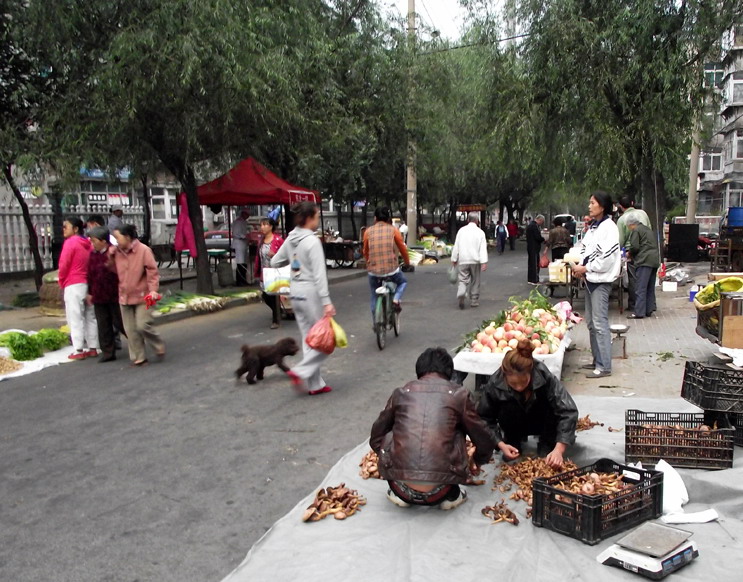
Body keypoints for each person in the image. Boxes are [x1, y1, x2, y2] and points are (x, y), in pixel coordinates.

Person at [370, 347, 496, 509]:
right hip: (443, 490)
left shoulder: (401, 393)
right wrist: (478, 460)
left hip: (399, 487)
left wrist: (393, 458)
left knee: (391, 432)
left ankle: (401, 493)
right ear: (449, 372)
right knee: (457, 430)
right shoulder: (459, 394)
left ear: (419, 371)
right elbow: (483, 437)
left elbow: (376, 437)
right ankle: (452, 498)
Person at [477, 340, 578, 469]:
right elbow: (484, 418)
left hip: (542, 421)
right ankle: (513, 441)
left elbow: (568, 410)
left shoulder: (543, 375)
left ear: (530, 373)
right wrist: (500, 444)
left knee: (551, 408)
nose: (519, 387)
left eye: (523, 382)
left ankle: (547, 442)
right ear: (505, 375)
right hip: (513, 423)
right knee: (507, 406)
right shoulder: (495, 383)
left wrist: (559, 449)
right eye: (513, 384)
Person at [271, 201, 336, 395]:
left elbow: (275, 261)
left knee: (310, 339)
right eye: (316, 216)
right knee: (325, 340)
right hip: (311, 292)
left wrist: (294, 263)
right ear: (308, 218)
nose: (317, 220)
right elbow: (319, 275)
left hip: (295, 291)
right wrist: (327, 302)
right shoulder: (312, 242)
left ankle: (315, 385)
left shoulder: (291, 239)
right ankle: (300, 371)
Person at [571, 192, 621, 379]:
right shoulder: (593, 227)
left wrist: (586, 268)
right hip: (590, 279)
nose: (589, 206)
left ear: (602, 206)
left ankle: (604, 365)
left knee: (600, 323)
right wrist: (580, 267)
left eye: (593, 203)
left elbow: (606, 259)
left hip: (601, 280)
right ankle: (596, 360)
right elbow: (585, 249)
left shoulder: (609, 228)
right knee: (591, 323)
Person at [110, 224, 165, 366]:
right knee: (130, 329)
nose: (116, 241)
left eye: (118, 237)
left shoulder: (144, 250)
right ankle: (139, 356)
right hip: (124, 295)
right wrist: (109, 256)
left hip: (144, 295)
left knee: (142, 325)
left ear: (127, 237)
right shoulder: (116, 252)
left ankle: (157, 343)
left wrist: (153, 290)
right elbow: (111, 269)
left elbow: (152, 272)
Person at [59, 217, 99, 360]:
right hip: (86, 283)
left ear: (75, 229)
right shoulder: (87, 244)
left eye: (66, 227)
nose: (63, 229)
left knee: (75, 317)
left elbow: (64, 264)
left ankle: (78, 349)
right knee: (90, 316)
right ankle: (93, 347)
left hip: (73, 283)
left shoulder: (70, 243)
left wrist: (62, 281)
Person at [363, 206, 410, 320]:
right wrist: (407, 262)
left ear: (375, 218)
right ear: (388, 218)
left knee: (374, 294)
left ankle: (376, 322)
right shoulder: (393, 230)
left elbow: (365, 250)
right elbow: (402, 248)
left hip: (373, 271)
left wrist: (369, 262)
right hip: (391, 270)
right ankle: (395, 299)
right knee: (402, 282)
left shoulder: (368, 232)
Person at [86, 226, 124, 362]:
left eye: (94, 241)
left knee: (120, 322)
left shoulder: (114, 253)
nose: (92, 244)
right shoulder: (93, 255)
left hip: (114, 294)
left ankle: (136, 342)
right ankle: (108, 352)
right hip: (98, 295)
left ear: (104, 241)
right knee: (103, 324)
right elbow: (89, 274)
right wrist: (90, 292)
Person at [616, 196, 651, 311]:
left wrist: (620, 254)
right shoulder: (643, 214)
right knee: (646, 280)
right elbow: (649, 230)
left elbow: (620, 240)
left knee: (634, 279)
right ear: (632, 203)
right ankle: (648, 305)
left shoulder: (622, 220)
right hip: (647, 249)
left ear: (621, 207)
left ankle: (634, 305)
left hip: (633, 252)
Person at [625, 214, 660, 319]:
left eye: (628, 226)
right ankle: (649, 309)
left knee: (640, 287)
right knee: (650, 287)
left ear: (631, 224)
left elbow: (635, 246)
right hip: (654, 260)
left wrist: (629, 254)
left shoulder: (636, 230)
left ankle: (639, 312)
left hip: (644, 260)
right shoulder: (647, 229)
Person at [451, 212, 488, 309]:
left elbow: (456, 246)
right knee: (475, 280)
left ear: (468, 220)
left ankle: (462, 293)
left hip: (463, 259)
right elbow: (482, 249)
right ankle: (474, 301)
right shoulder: (480, 232)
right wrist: (484, 262)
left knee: (463, 279)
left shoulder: (461, 231)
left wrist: (454, 259)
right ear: (477, 221)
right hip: (475, 260)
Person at [254, 217, 285, 329]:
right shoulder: (261, 241)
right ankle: (279, 310)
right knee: (265, 295)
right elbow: (259, 257)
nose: (262, 227)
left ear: (271, 226)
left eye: (265, 224)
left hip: (275, 272)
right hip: (264, 272)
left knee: (273, 296)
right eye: (261, 225)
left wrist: (275, 256)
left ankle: (275, 320)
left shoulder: (277, 240)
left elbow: (285, 254)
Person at [232, 209, 251, 286]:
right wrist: (245, 236)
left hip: (243, 244)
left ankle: (243, 279)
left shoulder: (243, 222)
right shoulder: (238, 222)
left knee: (244, 262)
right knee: (240, 263)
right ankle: (239, 280)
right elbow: (236, 233)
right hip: (239, 243)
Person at [526, 214, 545, 283]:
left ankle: (531, 278)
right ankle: (533, 279)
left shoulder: (531, 225)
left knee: (532, 263)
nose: (541, 223)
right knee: (534, 264)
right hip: (533, 247)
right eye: (542, 222)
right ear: (539, 220)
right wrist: (543, 239)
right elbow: (537, 237)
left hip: (531, 246)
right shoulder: (534, 226)